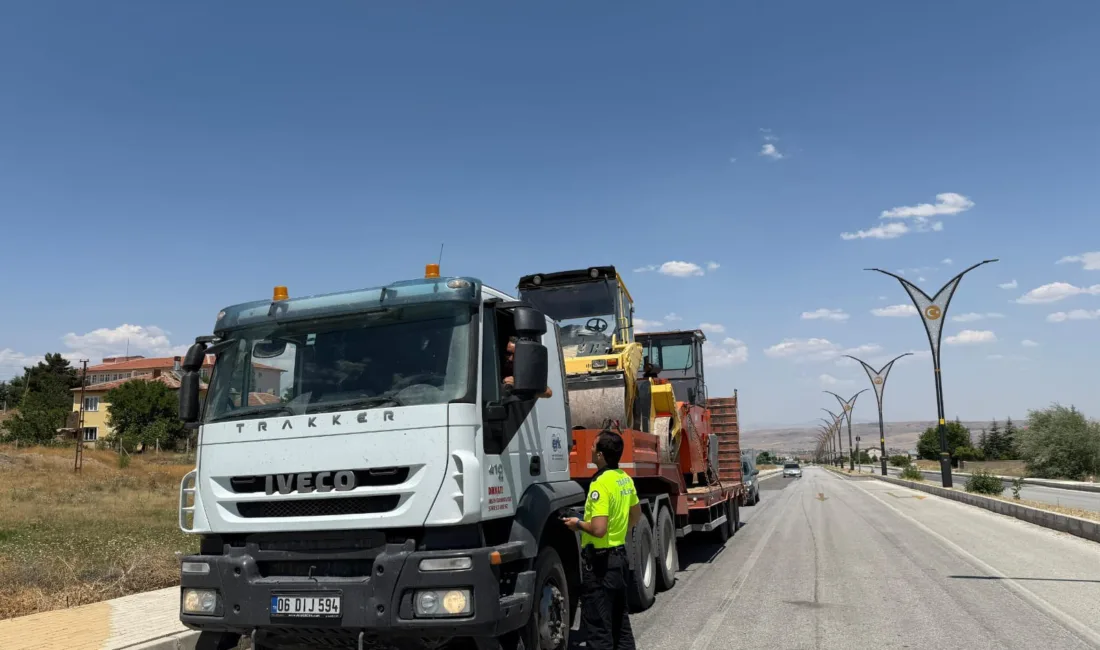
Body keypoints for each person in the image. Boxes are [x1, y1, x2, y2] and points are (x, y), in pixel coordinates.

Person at [563, 431, 641, 650]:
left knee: (598, 629)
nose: (590, 449)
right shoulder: (624, 478)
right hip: (619, 558)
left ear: (601, 455)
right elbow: (636, 514)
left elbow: (598, 529)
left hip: (600, 566)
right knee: (620, 624)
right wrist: (619, 531)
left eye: (593, 446)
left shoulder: (599, 484)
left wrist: (577, 524)